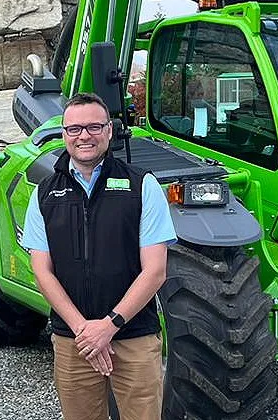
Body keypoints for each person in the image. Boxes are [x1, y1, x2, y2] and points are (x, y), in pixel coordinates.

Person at [21, 92, 176, 420]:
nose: (84, 136)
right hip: (73, 341)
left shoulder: (141, 186)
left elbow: (155, 270)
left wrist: (109, 326)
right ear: (64, 136)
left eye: (94, 127)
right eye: (74, 129)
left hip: (133, 335)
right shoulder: (44, 193)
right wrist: (84, 331)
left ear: (109, 131)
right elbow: (42, 271)